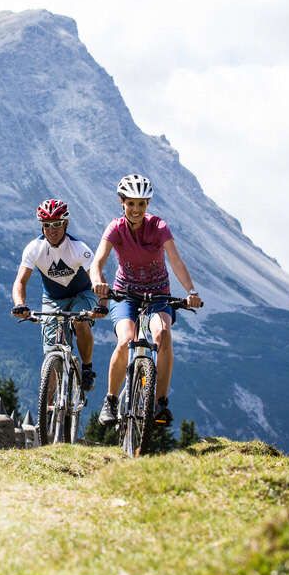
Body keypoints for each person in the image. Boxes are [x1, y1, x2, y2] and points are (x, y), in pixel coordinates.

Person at [90, 174, 202, 427]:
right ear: (122, 203)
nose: (136, 210)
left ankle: (161, 402)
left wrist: (191, 292)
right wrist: (98, 281)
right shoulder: (115, 228)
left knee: (162, 334)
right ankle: (110, 400)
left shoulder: (159, 227)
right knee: (126, 339)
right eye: (131, 203)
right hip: (124, 294)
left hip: (158, 294)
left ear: (148, 204)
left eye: (142, 204)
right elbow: (97, 262)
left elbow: (175, 261)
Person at [11, 198, 104, 391]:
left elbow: (96, 278)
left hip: (83, 294)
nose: (52, 230)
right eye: (46, 225)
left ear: (66, 224)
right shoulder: (34, 249)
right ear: (41, 227)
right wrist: (20, 304)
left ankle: (87, 369)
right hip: (53, 299)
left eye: (57, 224)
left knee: (80, 322)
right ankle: (48, 414)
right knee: (51, 355)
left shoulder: (79, 249)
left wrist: (101, 304)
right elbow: (20, 281)